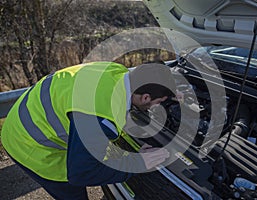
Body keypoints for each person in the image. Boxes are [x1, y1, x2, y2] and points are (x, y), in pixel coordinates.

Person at [1, 61, 177, 199]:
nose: (156, 107)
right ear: (145, 97)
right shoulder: (98, 116)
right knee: (72, 191)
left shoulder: (117, 71)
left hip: (26, 112)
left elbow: (113, 112)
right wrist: (137, 163)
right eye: (158, 102)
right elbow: (82, 173)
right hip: (27, 144)